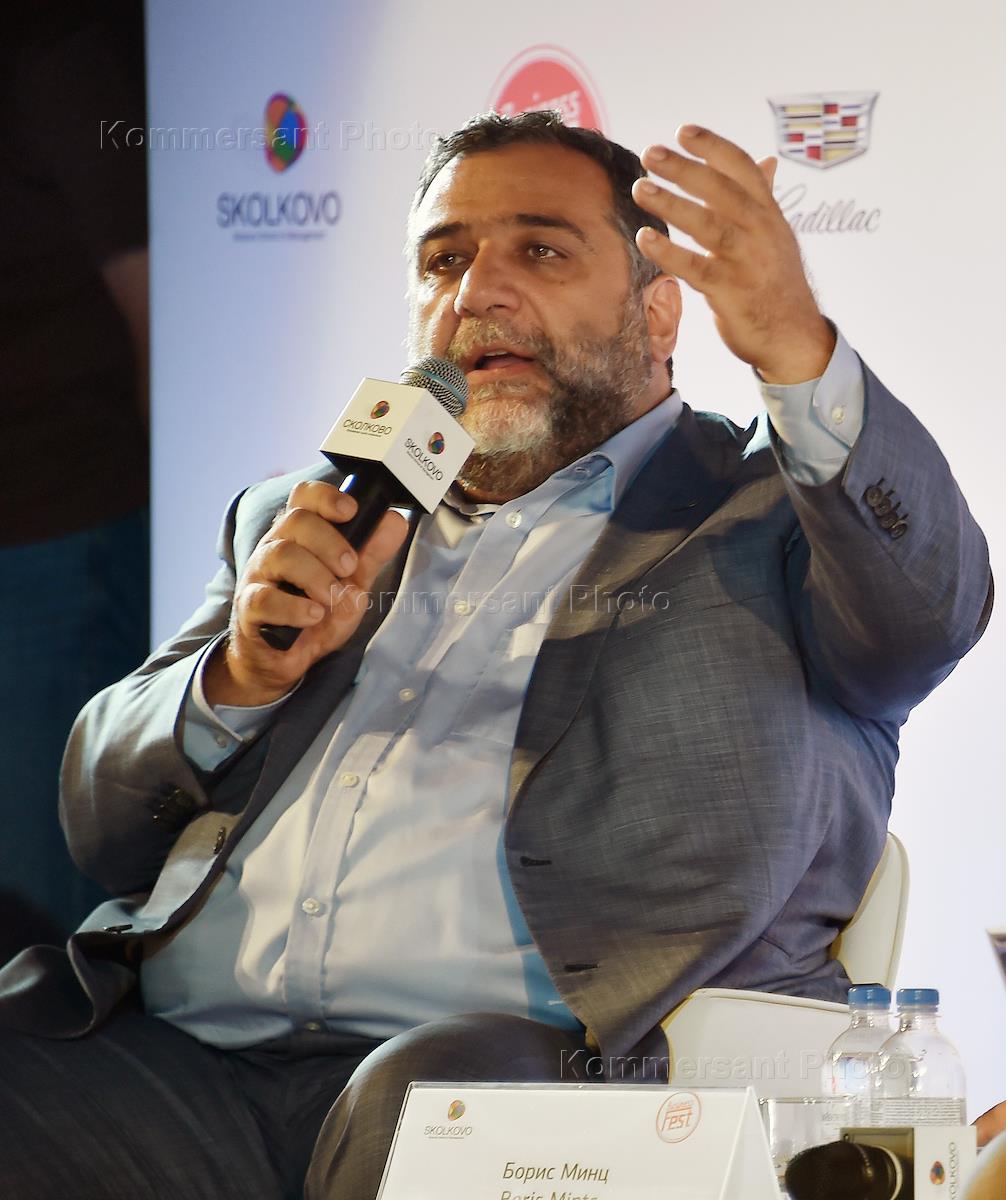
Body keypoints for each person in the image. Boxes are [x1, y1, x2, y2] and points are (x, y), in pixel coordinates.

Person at [0, 111, 991, 1199]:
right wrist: (239, 677)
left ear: (659, 307)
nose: (478, 291)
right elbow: (99, 825)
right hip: (188, 1073)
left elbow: (932, 610)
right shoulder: (314, 512)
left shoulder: (771, 512)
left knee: (432, 1103)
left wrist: (798, 348)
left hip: (550, 1076)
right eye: (444, 260)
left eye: (542, 250)